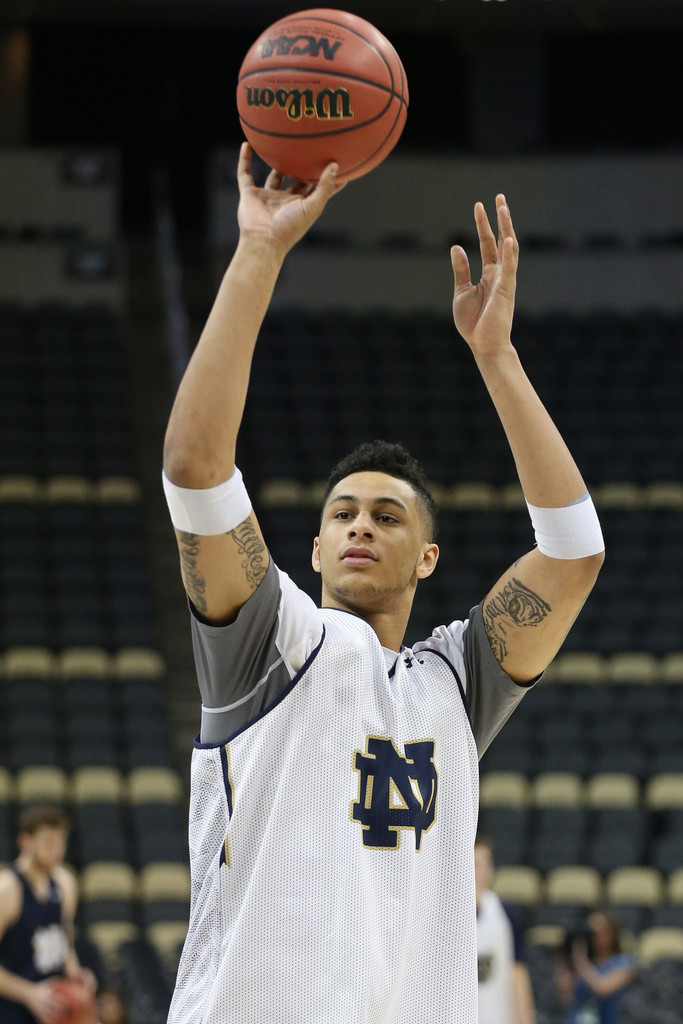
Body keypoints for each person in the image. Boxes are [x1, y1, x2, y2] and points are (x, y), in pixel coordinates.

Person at [161, 143, 605, 1024]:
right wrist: (259, 251)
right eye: (342, 514)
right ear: (315, 551)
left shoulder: (455, 683)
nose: (361, 523)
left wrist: (497, 361)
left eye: (388, 516)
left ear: (428, 558)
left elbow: (573, 552)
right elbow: (196, 468)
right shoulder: (272, 641)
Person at [0, 805, 97, 1024]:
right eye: (48, 843)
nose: (56, 850)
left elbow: (65, 942)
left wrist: (75, 973)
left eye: (61, 843)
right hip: (12, 1007)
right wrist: (29, 993)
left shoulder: (65, 883)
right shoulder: (7, 890)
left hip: (53, 1007)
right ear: (25, 841)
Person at [475, 833, 536, 1024]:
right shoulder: (441, 916)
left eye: (486, 863)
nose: (481, 871)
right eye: (475, 863)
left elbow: (518, 974)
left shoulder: (507, 914)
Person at [556, 910, 637, 1024]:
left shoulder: (624, 962)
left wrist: (581, 961)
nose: (594, 937)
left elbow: (602, 988)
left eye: (599, 932)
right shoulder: (582, 962)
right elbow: (564, 995)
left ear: (612, 934)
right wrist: (566, 962)